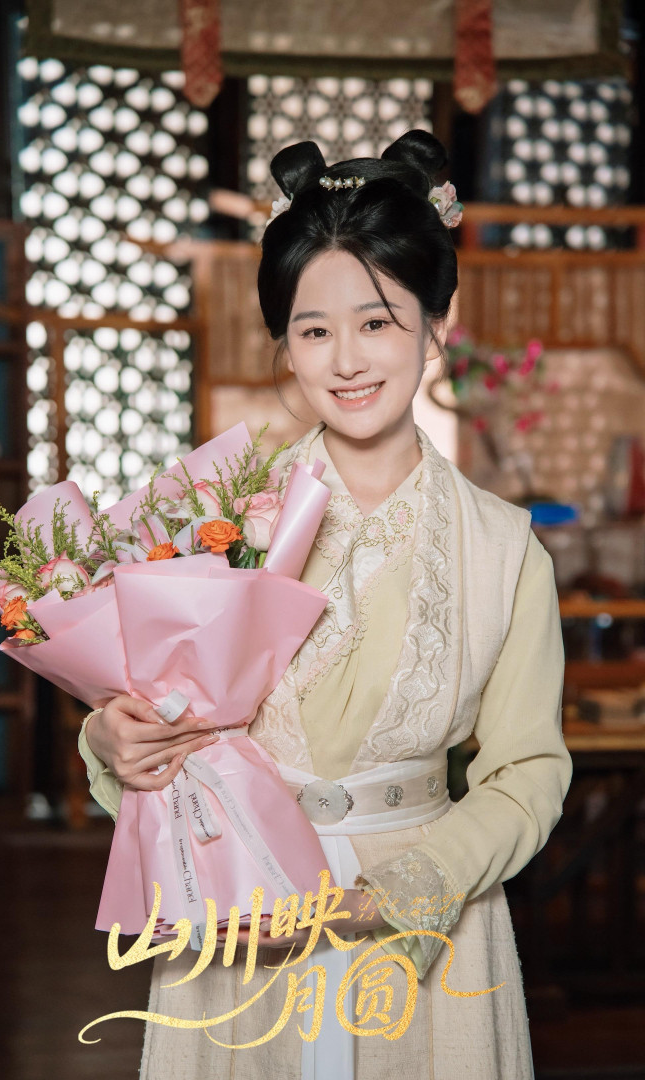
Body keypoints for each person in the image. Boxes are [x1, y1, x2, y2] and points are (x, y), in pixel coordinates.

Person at [77, 129, 572, 1079]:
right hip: (241, 911)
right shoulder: (210, 516)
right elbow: (147, 712)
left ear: (436, 322)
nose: (347, 359)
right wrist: (109, 740)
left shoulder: (505, 548)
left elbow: (529, 773)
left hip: (427, 929)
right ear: (286, 346)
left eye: (377, 321)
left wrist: (392, 895)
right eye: (314, 331)